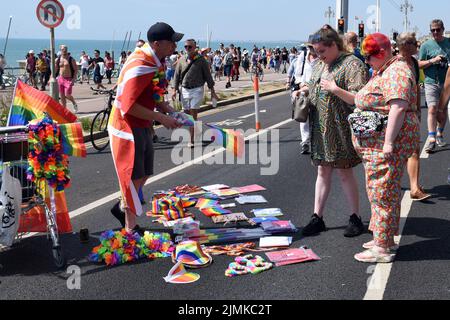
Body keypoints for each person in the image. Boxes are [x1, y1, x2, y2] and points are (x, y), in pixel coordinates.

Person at [293, 26, 369, 238]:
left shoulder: (352, 64)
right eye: (316, 52)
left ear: (334, 45)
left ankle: (355, 217)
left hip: (340, 128)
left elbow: (360, 99)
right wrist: (303, 90)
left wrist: (336, 89)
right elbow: (313, 83)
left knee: (344, 173)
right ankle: (317, 217)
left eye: (322, 52)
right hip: (320, 128)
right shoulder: (319, 64)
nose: (318, 56)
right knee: (322, 171)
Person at [109, 22, 183, 233]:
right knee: (133, 177)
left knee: (144, 173)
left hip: (143, 124)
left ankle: (122, 206)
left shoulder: (155, 62)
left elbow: (154, 95)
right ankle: (130, 229)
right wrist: (161, 118)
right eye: (172, 43)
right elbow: (128, 106)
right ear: (157, 43)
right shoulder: (141, 63)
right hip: (127, 127)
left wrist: (172, 111)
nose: (174, 47)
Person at [352, 33, 420, 263]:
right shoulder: (388, 69)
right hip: (376, 143)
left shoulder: (396, 71)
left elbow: (398, 106)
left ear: (380, 54)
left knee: (382, 191)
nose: (367, 62)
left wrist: (389, 142)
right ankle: (384, 238)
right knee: (381, 189)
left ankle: (382, 247)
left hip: (383, 144)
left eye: (369, 58)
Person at [397, 32, 432, 202]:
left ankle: (414, 187)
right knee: (399, 152)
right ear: (403, 45)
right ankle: (408, 186)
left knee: (412, 150)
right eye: (412, 42)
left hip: (410, 112)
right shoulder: (395, 64)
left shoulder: (414, 63)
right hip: (396, 112)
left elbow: (417, 87)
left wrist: (418, 108)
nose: (416, 45)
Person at [172, 39, 219, 147]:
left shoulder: (201, 60)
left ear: (195, 47)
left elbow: (208, 76)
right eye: (186, 47)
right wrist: (174, 90)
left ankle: (191, 140)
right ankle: (195, 132)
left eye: (190, 47)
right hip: (184, 90)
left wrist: (212, 91)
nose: (187, 49)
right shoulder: (181, 59)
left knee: (193, 113)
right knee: (187, 115)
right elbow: (176, 75)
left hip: (197, 89)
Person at [419, 19, 450, 153]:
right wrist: (433, 60)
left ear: (443, 29)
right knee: (432, 109)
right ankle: (431, 139)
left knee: (441, 112)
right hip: (431, 82)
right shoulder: (426, 46)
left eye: (438, 29)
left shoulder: (448, 43)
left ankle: (440, 134)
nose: (435, 32)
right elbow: (419, 64)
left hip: (447, 83)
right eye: (433, 30)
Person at [288, 44, 319, 155]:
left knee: (317, 117)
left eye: (313, 46)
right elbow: (298, 73)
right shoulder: (304, 55)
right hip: (304, 89)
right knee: (303, 116)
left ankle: (316, 142)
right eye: (309, 47)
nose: (311, 49)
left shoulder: (322, 56)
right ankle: (305, 142)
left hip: (318, 90)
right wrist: (301, 84)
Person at [55, 45, 78, 112]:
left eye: (65, 49)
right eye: (62, 49)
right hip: (60, 79)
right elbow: (55, 70)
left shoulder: (71, 59)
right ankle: (64, 110)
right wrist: (51, 77)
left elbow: (76, 70)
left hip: (68, 79)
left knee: (67, 95)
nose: (64, 50)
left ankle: (74, 103)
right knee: (62, 96)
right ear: (60, 50)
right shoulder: (58, 59)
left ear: (67, 50)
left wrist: (73, 79)